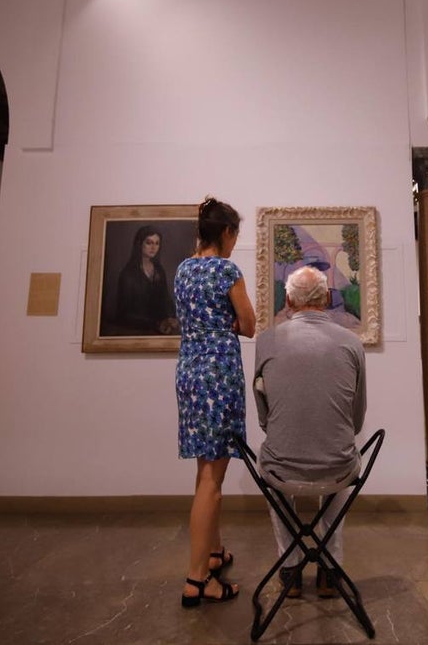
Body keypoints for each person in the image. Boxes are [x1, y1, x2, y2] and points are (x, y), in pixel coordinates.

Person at [253, 265, 367, 599]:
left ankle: (289, 567)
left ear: (288, 299)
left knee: (270, 460)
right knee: (342, 456)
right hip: (337, 467)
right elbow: (357, 416)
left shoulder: (267, 340)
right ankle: (329, 570)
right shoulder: (351, 342)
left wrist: (280, 430)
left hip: (282, 468)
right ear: (327, 297)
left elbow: (263, 413)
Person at [175, 197, 255, 608]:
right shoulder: (226, 270)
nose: (236, 242)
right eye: (235, 234)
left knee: (205, 472)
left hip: (189, 373)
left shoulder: (183, 269)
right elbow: (250, 324)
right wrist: (229, 322)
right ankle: (197, 580)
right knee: (213, 482)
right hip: (218, 377)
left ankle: (212, 552)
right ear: (225, 233)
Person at [109, 225, 178, 335]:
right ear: (139, 244)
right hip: (135, 331)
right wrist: (156, 324)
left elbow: (166, 299)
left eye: (156, 243)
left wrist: (172, 317)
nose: (153, 247)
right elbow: (123, 315)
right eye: (149, 242)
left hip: (161, 330)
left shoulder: (159, 270)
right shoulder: (128, 274)